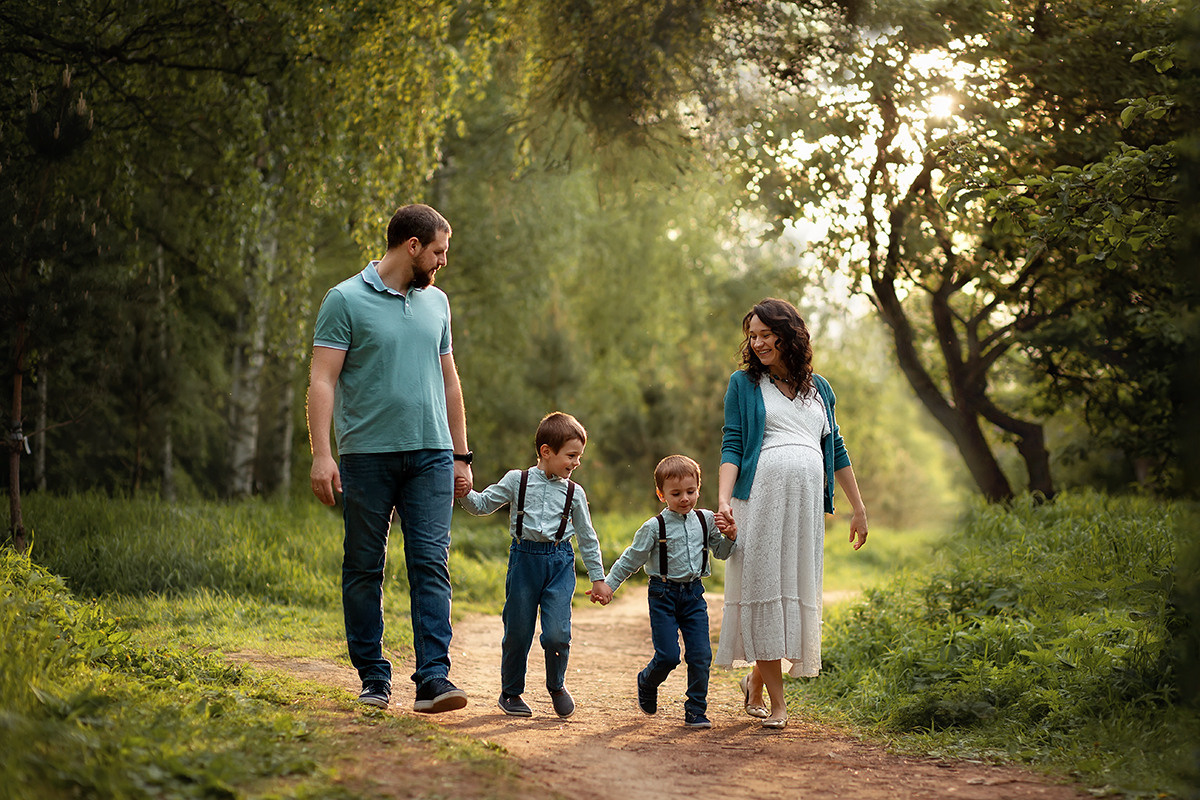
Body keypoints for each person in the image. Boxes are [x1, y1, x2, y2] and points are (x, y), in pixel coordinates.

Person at [307, 203, 474, 714]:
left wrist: (462, 455)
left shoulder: (437, 303)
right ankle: (374, 677)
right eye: (439, 251)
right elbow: (322, 380)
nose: (444, 261)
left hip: (431, 454)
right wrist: (321, 454)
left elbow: (449, 380)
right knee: (364, 566)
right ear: (413, 247)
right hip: (366, 456)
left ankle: (433, 680)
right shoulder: (344, 299)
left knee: (431, 563)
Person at [714, 297, 869, 730]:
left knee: (790, 591)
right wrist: (724, 500)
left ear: (788, 334)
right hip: (758, 502)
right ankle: (779, 704)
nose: (758, 343)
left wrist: (859, 508)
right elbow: (732, 443)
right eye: (753, 336)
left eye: (766, 334)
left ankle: (756, 682)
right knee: (765, 588)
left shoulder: (820, 388)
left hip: (804, 510)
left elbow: (835, 448)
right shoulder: (743, 384)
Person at [458, 412, 613, 718]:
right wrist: (463, 492)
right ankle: (511, 693)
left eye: (579, 456)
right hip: (524, 561)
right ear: (546, 452)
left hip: (559, 563)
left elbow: (587, 536)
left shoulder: (574, 492)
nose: (576, 463)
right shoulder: (518, 480)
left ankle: (556, 685)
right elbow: (482, 504)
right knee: (517, 630)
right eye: (571, 455)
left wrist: (598, 578)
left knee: (557, 633)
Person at [599, 454, 737, 729]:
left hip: (694, 595)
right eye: (676, 493)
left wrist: (731, 538)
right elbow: (631, 559)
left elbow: (720, 553)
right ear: (661, 494)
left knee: (701, 655)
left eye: (690, 491)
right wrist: (608, 585)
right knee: (668, 656)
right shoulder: (654, 527)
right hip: (662, 595)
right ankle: (647, 680)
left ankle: (696, 709)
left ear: (699, 488)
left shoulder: (706, 520)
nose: (685, 498)